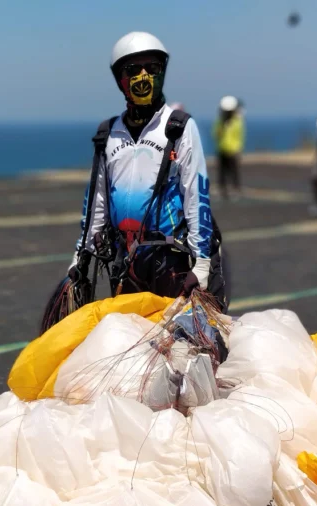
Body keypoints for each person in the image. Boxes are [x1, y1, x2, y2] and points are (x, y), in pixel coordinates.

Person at [68, 32, 228, 310]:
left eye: (152, 68)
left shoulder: (178, 128)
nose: (143, 77)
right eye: (133, 70)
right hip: (125, 262)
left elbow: (196, 195)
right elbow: (97, 201)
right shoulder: (108, 133)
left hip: (170, 261)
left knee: (176, 336)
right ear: (120, 78)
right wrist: (81, 255)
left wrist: (202, 263)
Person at [212, 95, 246, 203]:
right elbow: (215, 133)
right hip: (222, 149)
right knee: (222, 172)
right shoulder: (220, 121)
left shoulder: (237, 121)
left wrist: (238, 149)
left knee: (234, 171)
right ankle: (222, 190)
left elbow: (240, 135)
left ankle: (235, 189)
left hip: (233, 150)